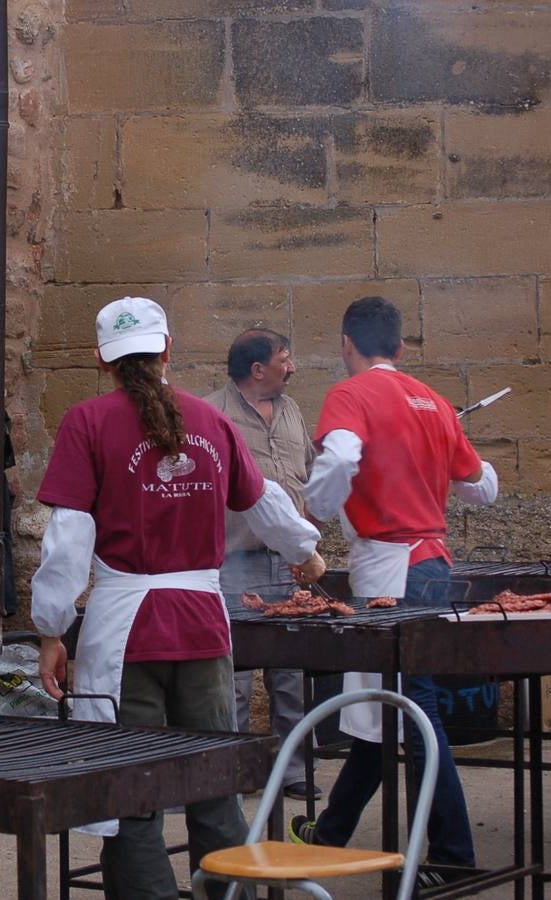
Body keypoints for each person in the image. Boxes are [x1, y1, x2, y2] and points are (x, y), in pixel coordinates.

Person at [30, 296, 326, 900]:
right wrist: (306, 551)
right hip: (202, 625)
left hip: (126, 630)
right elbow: (263, 497)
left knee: (131, 788)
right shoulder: (211, 421)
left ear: (101, 360)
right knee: (212, 780)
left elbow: (68, 540)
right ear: (169, 350)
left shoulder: (88, 422)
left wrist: (51, 628)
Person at [292, 296, 499, 876]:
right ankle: (330, 835)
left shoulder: (350, 395)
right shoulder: (432, 400)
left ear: (345, 344)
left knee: (413, 709)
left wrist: (313, 519)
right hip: (433, 563)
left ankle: (456, 856)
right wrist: (436, 441)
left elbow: (339, 460)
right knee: (386, 707)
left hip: (389, 567)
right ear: (401, 346)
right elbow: (484, 486)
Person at [204, 329, 319, 802]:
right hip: (237, 562)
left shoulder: (292, 411)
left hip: (287, 565)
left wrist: (305, 546)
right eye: (284, 359)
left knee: (291, 675)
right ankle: (232, 772)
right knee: (232, 678)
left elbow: (304, 477)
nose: (291, 367)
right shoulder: (213, 413)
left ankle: (293, 769)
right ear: (257, 370)